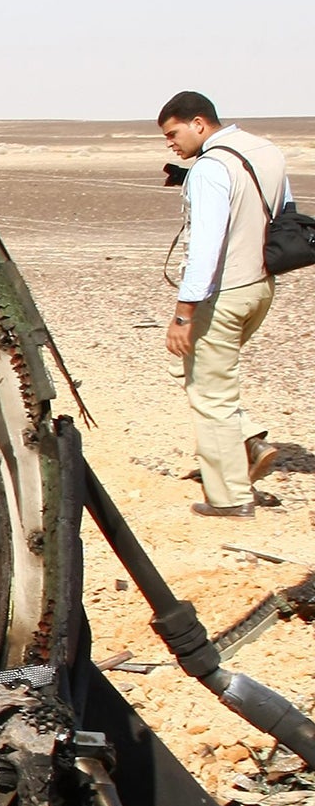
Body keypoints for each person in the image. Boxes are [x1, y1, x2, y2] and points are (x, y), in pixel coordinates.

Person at [159, 91, 292, 517]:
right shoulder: (265, 151)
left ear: (199, 123)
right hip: (261, 286)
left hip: (225, 293)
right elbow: (283, 214)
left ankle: (230, 498)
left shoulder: (211, 169)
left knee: (210, 393)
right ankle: (249, 437)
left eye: (173, 133)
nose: (170, 145)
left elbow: (206, 248)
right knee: (194, 366)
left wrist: (184, 313)